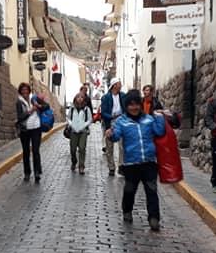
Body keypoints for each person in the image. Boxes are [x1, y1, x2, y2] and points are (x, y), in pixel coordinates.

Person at [106, 89, 165, 232]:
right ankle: (127, 210)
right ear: (126, 107)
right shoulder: (121, 121)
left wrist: (159, 118)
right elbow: (116, 136)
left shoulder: (149, 120)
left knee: (151, 190)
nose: (134, 107)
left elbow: (159, 132)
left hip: (149, 162)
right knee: (130, 190)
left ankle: (154, 218)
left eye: (136, 104)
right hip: (131, 164)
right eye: (131, 105)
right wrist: (110, 134)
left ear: (140, 105)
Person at [16, 83, 48, 183]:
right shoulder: (19, 102)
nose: (25, 92)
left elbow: (47, 106)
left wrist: (38, 106)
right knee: (26, 152)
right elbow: (20, 117)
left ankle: (37, 172)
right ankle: (27, 173)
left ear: (29, 91)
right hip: (24, 130)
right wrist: (30, 111)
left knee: (35, 151)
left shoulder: (34, 98)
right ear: (20, 91)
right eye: (23, 90)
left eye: (26, 90)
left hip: (36, 128)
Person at [100, 78, 126, 176]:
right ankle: (111, 167)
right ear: (114, 85)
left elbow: (126, 108)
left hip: (121, 122)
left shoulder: (123, 96)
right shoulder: (106, 97)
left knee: (122, 145)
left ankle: (121, 166)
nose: (121, 85)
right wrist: (112, 117)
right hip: (110, 122)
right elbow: (103, 112)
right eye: (119, 84)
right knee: (109, 146)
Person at [67, 93, 93, 175]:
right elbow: (68, 118)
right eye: (78, 97)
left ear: (84, 99)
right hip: (73, 131)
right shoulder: (72, 109)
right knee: (73, 149)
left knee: (82, 148)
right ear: (75, 98)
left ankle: (81, 166)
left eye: (82, 97)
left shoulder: (86, 109)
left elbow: (90, 120)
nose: (80, 98)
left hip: (83, 131)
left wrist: (83, 126)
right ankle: (74, 162)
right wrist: (71, 125)